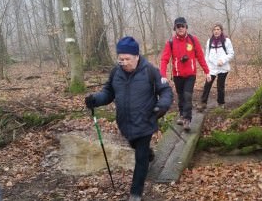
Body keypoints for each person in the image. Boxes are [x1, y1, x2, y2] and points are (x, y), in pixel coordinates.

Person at [85, 36, 173, 201]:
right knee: (135, 145)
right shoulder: (116, 72)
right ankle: (149, 154)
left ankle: (135, 194)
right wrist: (95, 99)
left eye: (127, 59)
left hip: (146, 121)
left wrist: (163, 106)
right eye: (120, 59)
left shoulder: (150, 70)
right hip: (125, 123)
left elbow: (166, 90)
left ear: (137, 56)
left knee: (140, 159)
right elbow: (108, 92)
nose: (124, 62)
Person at [160, 17, 211, 131]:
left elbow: (200, 57)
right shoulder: (171, 42)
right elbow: (164, 59)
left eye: (182, 26)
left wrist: (207, 71)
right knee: (181, 96)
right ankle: (182, 115)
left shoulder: (193, 40)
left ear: (186, 27)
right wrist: (163, 75)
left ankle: (187, 119)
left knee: (187, 96)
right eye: (178, 26)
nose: (181, 28)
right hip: (177, 75)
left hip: (190, 75)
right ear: (175, 28)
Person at [197, 22, 234, 111]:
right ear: (212, 31)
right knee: (207, 85)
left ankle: (221, 104)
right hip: (211, 68)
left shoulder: (226, 40)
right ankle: (203, 103)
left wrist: (223, 60)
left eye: (218, 29)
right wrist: (206, 69)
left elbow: (231, 53)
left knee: (220, 86)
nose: (216, 31)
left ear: (221, 31)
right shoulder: (209, 41)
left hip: (223, 68)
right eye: (214, 30)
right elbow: (207, 55)